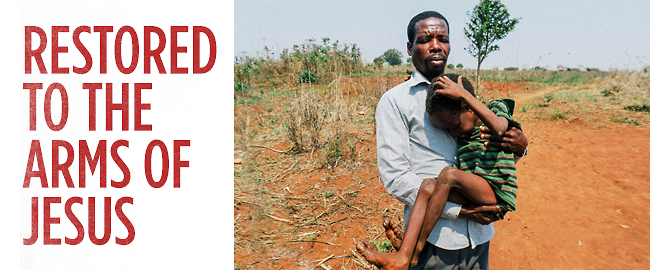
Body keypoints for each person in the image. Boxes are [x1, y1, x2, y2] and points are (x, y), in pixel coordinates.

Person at [356, 11, 528, 270]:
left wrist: (520, 147)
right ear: (409, 47)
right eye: (425, 39)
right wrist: (459, 211)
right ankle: (408, 254)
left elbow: (488, 148)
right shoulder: (395, 101)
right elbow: (396, 178)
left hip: (479, 236)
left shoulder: (462, 90)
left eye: (442, 38)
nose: (435, 45)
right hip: (437, 238)